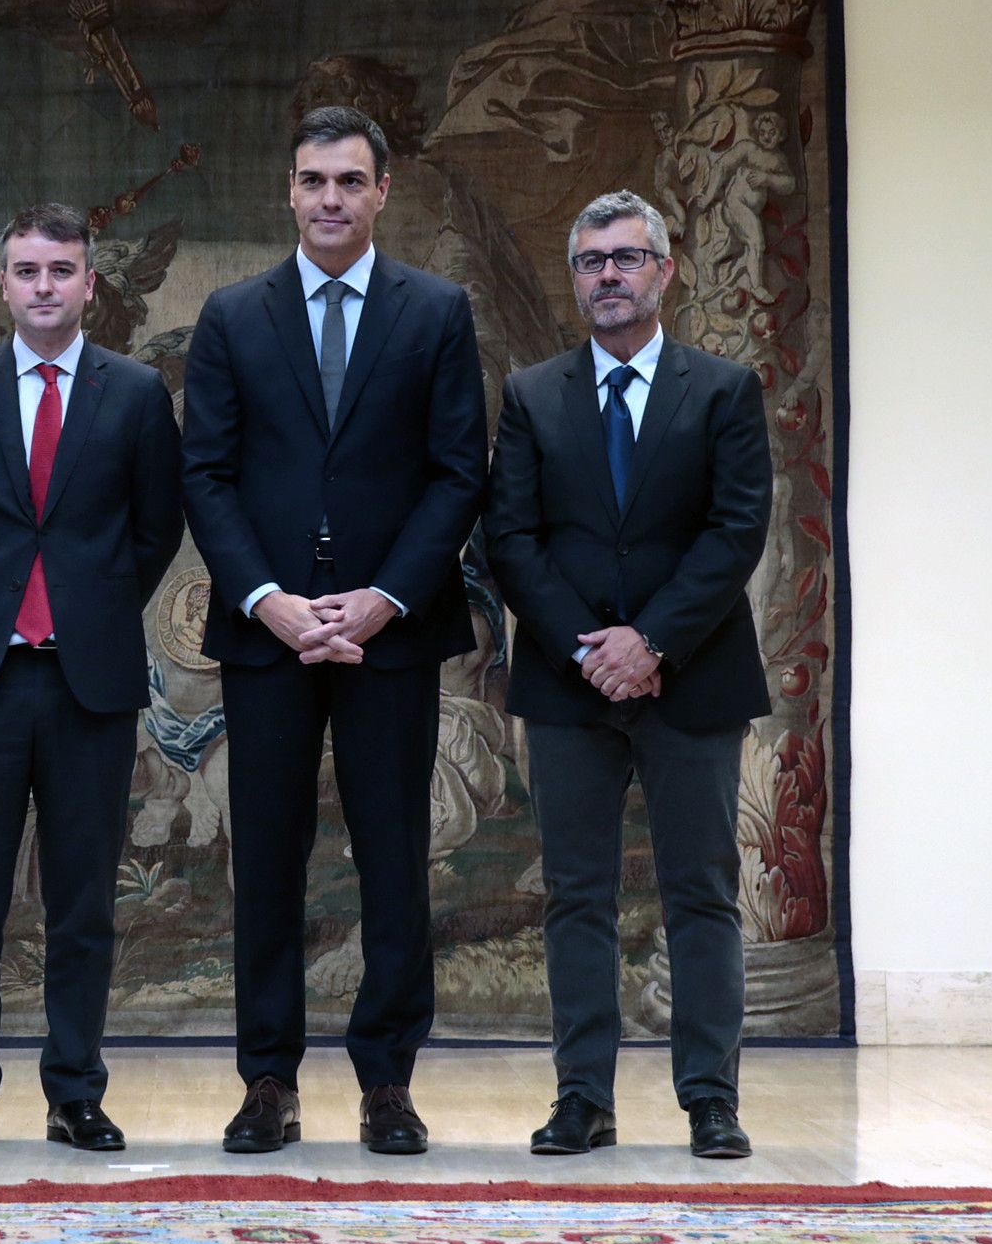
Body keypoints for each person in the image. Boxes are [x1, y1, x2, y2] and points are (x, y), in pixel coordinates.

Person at [181, 107, 487, 1155]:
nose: (328, 199)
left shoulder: (435, 311)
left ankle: (386, 1083)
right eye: (311, 180)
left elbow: (457, 473)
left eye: (348, 182)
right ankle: (267, 1079)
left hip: (387, 633)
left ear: (380, 192)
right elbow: (205, 475)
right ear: (287, 189)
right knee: (264, 857)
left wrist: (385, 596)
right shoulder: (231, 315)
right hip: (266, 633)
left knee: (393, 858)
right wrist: (266, 597)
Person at [484, 190, 772, 1159]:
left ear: (663, 270)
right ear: (573, 278)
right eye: (588, 261)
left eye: (624, 257)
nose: (605, 274)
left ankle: (708, 1098)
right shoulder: (528, 394)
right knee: (575, 895)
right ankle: (581, 1099)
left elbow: (734, 531)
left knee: (700, 890)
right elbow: (511, 539)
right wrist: (591, 648)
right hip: (568, 687)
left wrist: (647, 643)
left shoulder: (722, 388)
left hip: (690, 679)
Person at [0, 202, 184, 1155]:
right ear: (4, 280)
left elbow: (155, 532)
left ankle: (75, 1092)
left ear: (90, 284)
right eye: (26, 271)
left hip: (86, 683)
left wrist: (89, 605)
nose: (44, 287)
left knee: (84, 905)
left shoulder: (138, 393)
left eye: (62, 271)